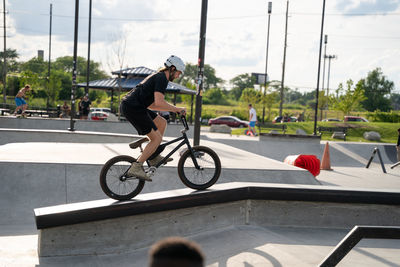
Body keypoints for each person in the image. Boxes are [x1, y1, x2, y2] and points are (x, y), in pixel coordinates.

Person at [120, 55, 186, 180]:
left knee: (162, 122)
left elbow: (154, 104)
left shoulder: (159, 77)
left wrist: (174, 110)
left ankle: (153, 155)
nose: (178, 76)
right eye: (178, 73)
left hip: (136, 106)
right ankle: (137, 166)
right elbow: (160, 103)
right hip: (133, 108)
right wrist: (177, 109)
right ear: (172, 68)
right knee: (156, 139)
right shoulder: (161, 78)